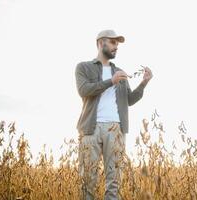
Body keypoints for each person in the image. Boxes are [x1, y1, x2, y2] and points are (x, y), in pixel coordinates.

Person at [75, 29, 153, 200]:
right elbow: (84, 90)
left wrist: (144, 83)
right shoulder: (83, 67)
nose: (116, 46)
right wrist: (111, 81)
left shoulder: (120, 71)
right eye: (112, 42)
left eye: (117, 43)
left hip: (116, 129)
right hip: (90, 129)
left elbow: (130, 100)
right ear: (100, 43)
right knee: (88, 180)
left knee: (114, 182)